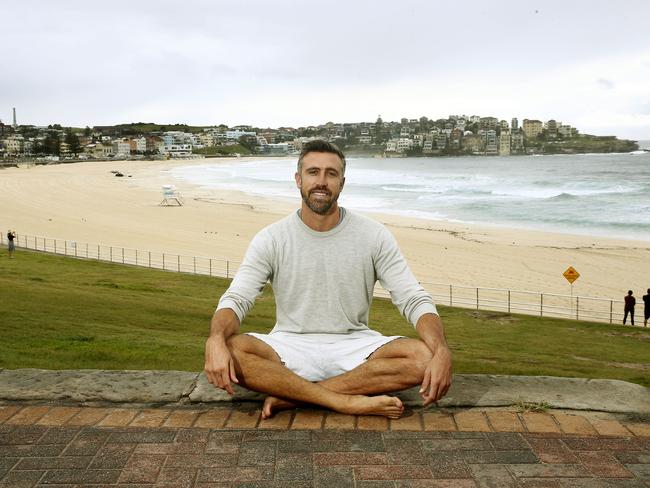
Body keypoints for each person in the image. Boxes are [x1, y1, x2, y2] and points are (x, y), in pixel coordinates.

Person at [204, 140, 452, 420]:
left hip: (356, 345)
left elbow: (412, 298)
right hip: (289, 345)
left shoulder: (373, 235)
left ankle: (293, 398)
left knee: (424, 356)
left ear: (342, 183)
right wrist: (214, 339)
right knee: (233, 349)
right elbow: (237, 299)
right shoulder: (271, 238)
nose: (321, 181)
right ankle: (343, 401)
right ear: (298, 179)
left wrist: (442, 350)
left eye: (330, 174)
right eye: (313, 172)